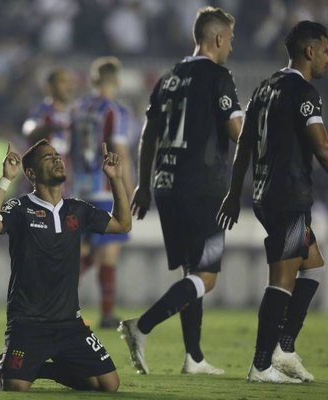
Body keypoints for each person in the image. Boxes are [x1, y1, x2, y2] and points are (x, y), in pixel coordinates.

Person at [217, 21, 328, 383]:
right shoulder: (304, 92)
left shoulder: (265, 88)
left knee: (313, 266)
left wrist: (234, 193)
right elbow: (323, 148)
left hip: (266, 194)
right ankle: (261, 364)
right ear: (310, 50)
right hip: (288, 194)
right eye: (327, 51)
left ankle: (283, 349)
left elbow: (244, 147)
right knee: (283, 279)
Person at [118, 6, 243, 376]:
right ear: (218, 38)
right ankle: (141, 326)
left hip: (166, 185)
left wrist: (142, 183)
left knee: (191, 274)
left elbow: (148, 134)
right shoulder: (219, 76)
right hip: (204, 187)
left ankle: (194, 358)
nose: (232, 48)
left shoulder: (169, 76)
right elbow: (237, 130)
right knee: (206, 277)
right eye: (231, 40)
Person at [0, 139, 130, 392]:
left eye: (57, 155)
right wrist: (5, 180)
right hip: (28, 323)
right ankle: (5, 366)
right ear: (31, 173)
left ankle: (40, 368)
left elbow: (123, 224)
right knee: (14, 387)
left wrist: (115, 179)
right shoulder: (21, 208)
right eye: (48, 158)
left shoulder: (77, 209)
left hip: (69, 324)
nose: (57, 159)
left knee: (108, 385)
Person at [70, 56, 134, 328]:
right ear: (116, 81)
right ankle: (107, 313)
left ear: (94, 80)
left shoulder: (79, 108)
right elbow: (121, 153)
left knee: (81, 252)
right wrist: (129, 192)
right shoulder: (115, 111)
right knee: (107, 254)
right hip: (106, 189)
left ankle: (51, 300)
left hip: (80, 188)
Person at [22, 67, 76, 195]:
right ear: (50, 87)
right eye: (62, 82)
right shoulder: (42, 111)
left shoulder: (73, 114)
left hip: (66, 182)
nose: (68, 86)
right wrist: (53, 127)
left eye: (70, 82)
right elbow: (29, 130)